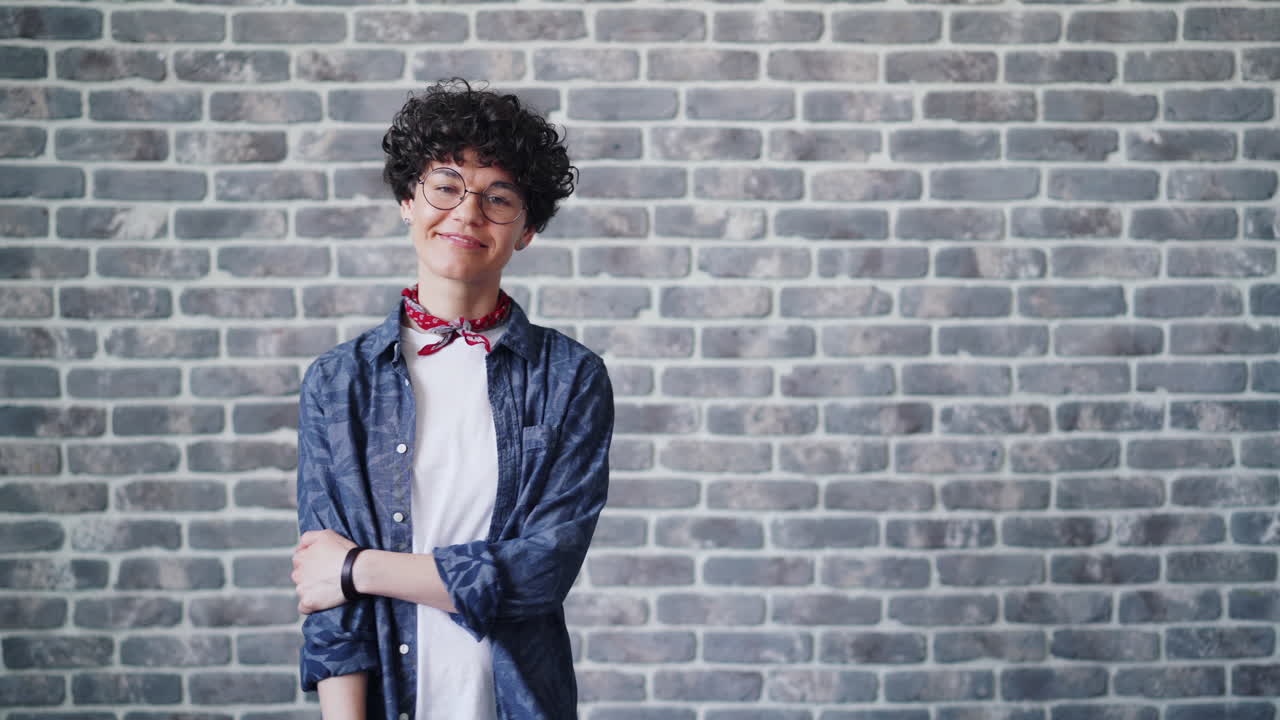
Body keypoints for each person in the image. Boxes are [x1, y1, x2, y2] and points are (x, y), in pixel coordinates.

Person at [290, 79, 613, 720]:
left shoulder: (570, 378)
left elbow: (540, 573)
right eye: (445, 185)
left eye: (499, 198)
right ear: (408, 201)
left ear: (526, 230)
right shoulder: (339, 382)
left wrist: (360, 568)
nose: (467, 213)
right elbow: (327, 599)